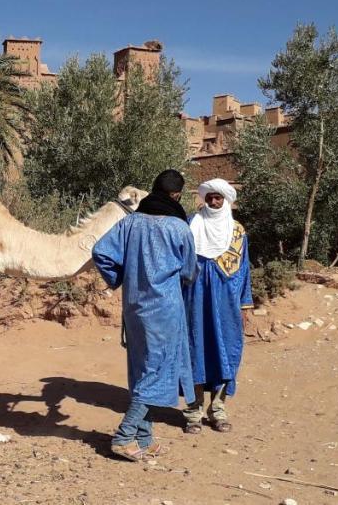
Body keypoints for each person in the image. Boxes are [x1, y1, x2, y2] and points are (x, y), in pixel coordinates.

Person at [91, 169, 197, 461]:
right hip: (165, 311)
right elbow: (189, 271)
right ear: (176, 196)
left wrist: (121, 277)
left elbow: (100, 251)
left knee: (142, 371)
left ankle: (144, 438)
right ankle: (124, 437)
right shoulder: (179, 228)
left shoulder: (130, 223)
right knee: (157, 373)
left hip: (134, 310)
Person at [183, 178, 252, 433]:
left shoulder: (237, 231)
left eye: (218, 198)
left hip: (226, 301)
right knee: (195, 350)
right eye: (210, 197)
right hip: (194, 297)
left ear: (226, 200)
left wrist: (245, 305)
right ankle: (193, 411)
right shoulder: (191, 224)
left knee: (226, 350)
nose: (213, 201)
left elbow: (244, 269)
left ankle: (218, 409)